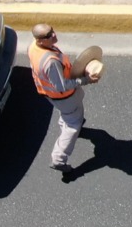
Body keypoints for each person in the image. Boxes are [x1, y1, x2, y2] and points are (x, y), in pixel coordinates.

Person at [28, 23, 99, 173]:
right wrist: (86, 80)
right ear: (40, 40)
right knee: (73, 125)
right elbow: (61, 86)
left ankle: (65, 121)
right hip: (65, 97)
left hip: (53, 96)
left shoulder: (34, 47)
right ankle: (59, 159)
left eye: (52, 31)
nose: (54, 35)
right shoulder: (51, 62)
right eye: (48, 35)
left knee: (69, 115)